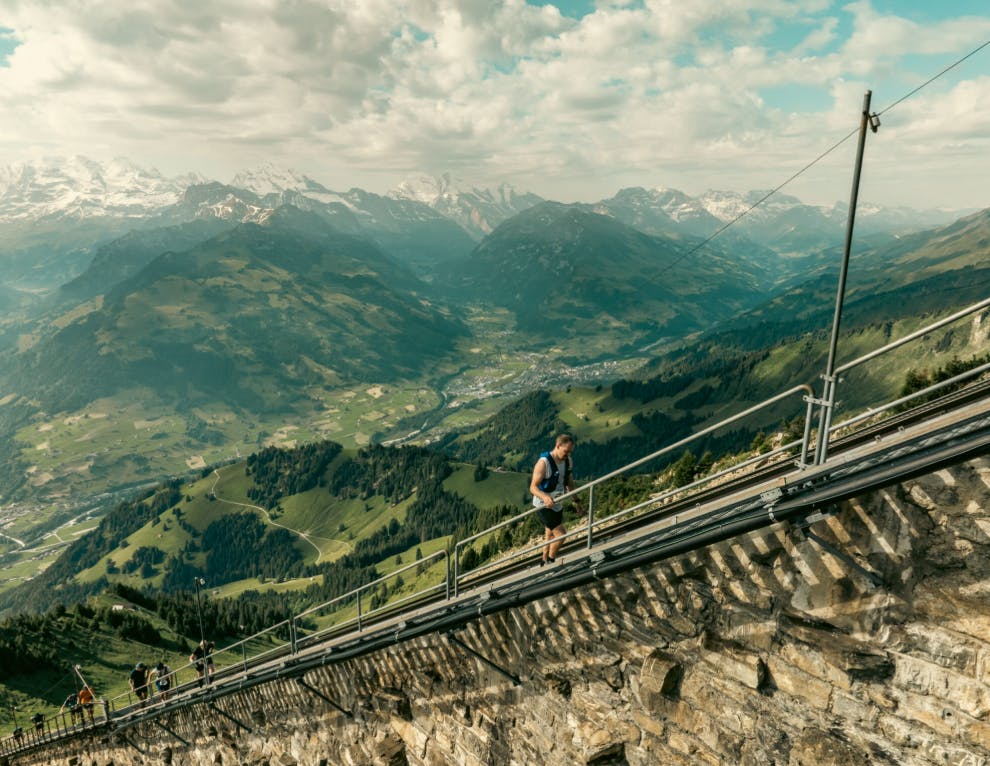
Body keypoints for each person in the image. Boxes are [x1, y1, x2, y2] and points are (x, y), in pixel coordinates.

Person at [529, 434, 582, 565]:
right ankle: (550, 561)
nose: (568, 454)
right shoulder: (543, 463)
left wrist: (576, 501)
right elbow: (533, 487)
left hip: (558, 503)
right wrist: (544, 497)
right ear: (558, 446)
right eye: (566, 451)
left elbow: (569, 483)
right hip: (543, 505)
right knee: (561, 534)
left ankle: (543, 560)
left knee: (549, 534)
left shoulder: (568, 461)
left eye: (570, 452)